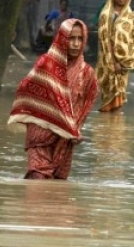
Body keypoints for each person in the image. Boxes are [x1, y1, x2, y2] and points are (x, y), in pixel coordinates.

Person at [8, 19, 98, 179]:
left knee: (56, 188)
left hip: (64, 139)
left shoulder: (87, 73)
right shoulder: (46, 64)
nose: (76, 44)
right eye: (71, 38)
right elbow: (25, 91)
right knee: (37, 177)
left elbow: (86, 104)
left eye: (80, 39)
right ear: (62, 38)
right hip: (39, 136)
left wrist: (76, 129)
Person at [96, 0, 134, 112]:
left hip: (125, 61)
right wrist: (114, 62)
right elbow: (105, 39)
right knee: (109, 94)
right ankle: (105, 126)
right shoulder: (107, 14)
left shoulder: (133, 16)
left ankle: (114, 128)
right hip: (109, 60)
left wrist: (130, 58)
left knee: (120, 97)